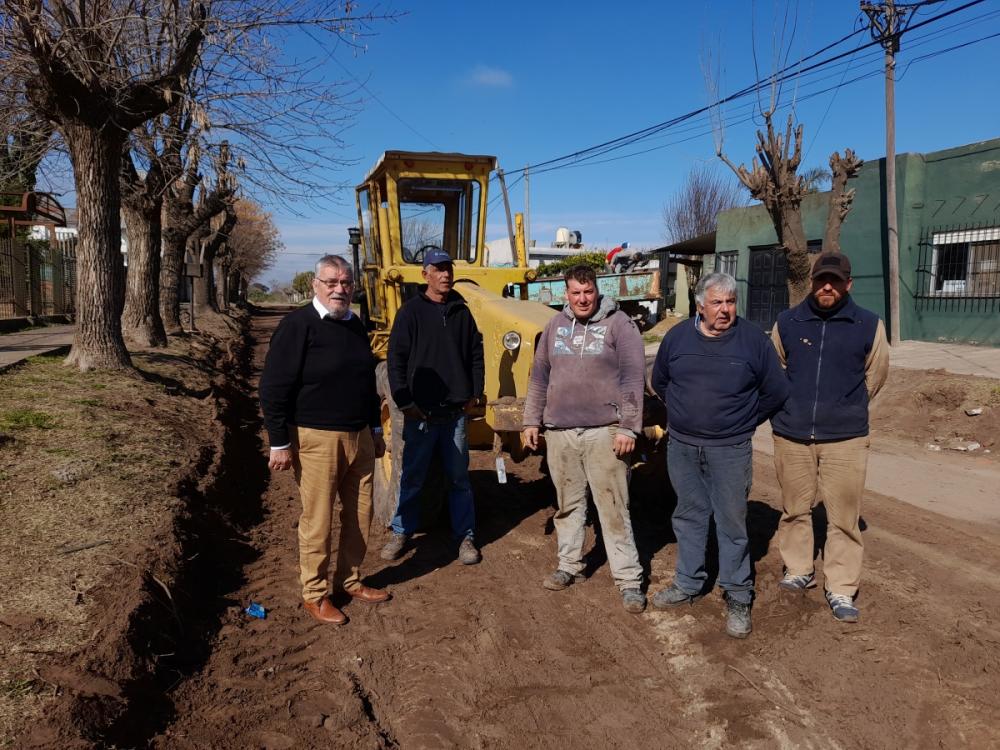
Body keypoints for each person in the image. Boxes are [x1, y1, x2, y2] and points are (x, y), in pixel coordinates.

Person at [651, 272, 789, 638]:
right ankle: (689, 582)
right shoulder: (678, 337)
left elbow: (775, 390)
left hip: (730, 449)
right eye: (717, 303)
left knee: (731, 522)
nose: (725, 310)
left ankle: (738, 593)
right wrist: (683, 413)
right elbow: (660, 381)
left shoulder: (753, 342)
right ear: (700, 305)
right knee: (689, 514)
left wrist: (744, 421)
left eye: (730, 302)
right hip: (682, 445)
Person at [259, 255, 389, 626]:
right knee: (317, 520)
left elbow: (366, 384)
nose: (339, 289)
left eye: (345, 283)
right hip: (316, 438)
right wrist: (279, 441)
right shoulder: (298, 326)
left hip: (359, 436)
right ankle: (315, 594)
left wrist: (375, 431)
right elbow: (273, 387)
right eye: (331, 282)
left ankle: (349, 580)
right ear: (316, 284)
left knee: (360, 514)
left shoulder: (354, 326)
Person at [770, 251, 889, 623]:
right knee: (794, 509)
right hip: (791, 435)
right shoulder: (788, 322)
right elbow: (776, 369)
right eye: (822, 279)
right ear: (812, 281)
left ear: (848, 284)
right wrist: (792, 408)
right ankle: (799, 569)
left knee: (843, 518)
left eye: (835, 281)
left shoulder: (868, 324)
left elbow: (877, 375)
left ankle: (840, 587)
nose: (827, 286)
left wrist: (844, 407)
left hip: (846, 439)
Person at [522, 264, 647, 613]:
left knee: (613, 507)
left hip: (604, 432)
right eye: (575, 293)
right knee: (568, 506)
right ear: (566, 293)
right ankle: (568, 566)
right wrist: (532, 420)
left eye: (588, 292)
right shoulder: (554, 326)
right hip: (561, 432)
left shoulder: (620, 325)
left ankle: (629, 580)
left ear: (597, 290)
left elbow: (633, 377)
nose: (582, 299)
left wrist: (628, 426)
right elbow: (539, 376)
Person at [380, 248, 485, 565]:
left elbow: (475, 356)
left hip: (454, 415)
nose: (446, 274)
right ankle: (401, 531)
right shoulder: (410, 312)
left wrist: (475, 393)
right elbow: (395, 360)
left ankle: (465, 537)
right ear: (425, 273)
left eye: (448, 269)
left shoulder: (461, 312)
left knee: (459, 480)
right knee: (412, 477)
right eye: (438, 269)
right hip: (421, 414)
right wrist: (404, 401)